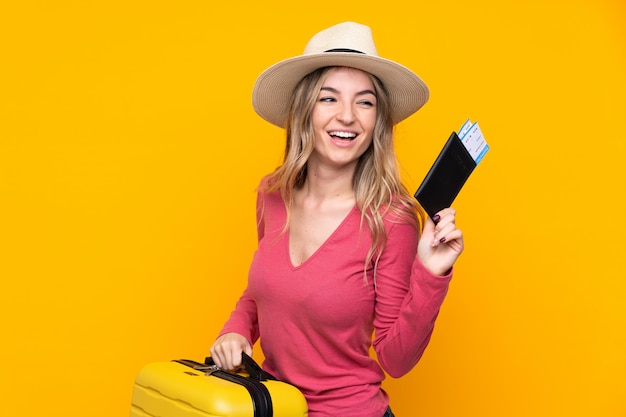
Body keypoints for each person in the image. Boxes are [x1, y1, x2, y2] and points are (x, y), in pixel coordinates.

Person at [210, 22, 464, 417]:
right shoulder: (272, 194)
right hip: (278, 408)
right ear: (304, 111)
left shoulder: (391, 219)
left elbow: (396, 360)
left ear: (377, 122)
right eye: (329, 99)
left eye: (365, 103)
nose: (347, 116)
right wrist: (235, 328)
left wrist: (430, 274)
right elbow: (263, 290)